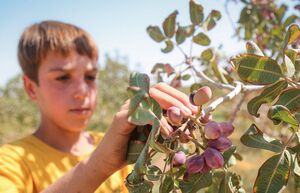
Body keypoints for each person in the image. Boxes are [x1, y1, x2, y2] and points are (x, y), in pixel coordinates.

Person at [0, 20, 198, 193]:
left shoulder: (113, 145)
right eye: (62, 77)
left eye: (90, 77)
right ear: (31, 88)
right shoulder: (10, 162)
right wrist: (101, 164)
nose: (82, 90)